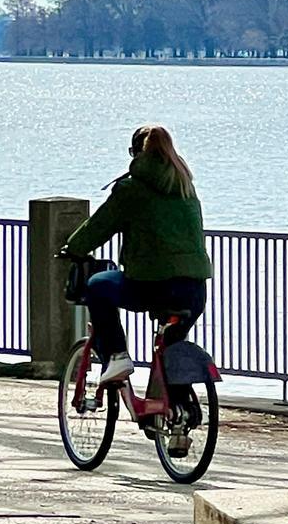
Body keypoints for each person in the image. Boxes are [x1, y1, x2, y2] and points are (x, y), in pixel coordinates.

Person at [64, 125, 214, 432]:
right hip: (194, 290)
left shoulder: (132, 189)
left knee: (98, 286)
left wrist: (73, 248)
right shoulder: (185, 186)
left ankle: (117, 355)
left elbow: (100, 226)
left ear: (136, 153)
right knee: (171, 345)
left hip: (153, 285)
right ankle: (178, 415)